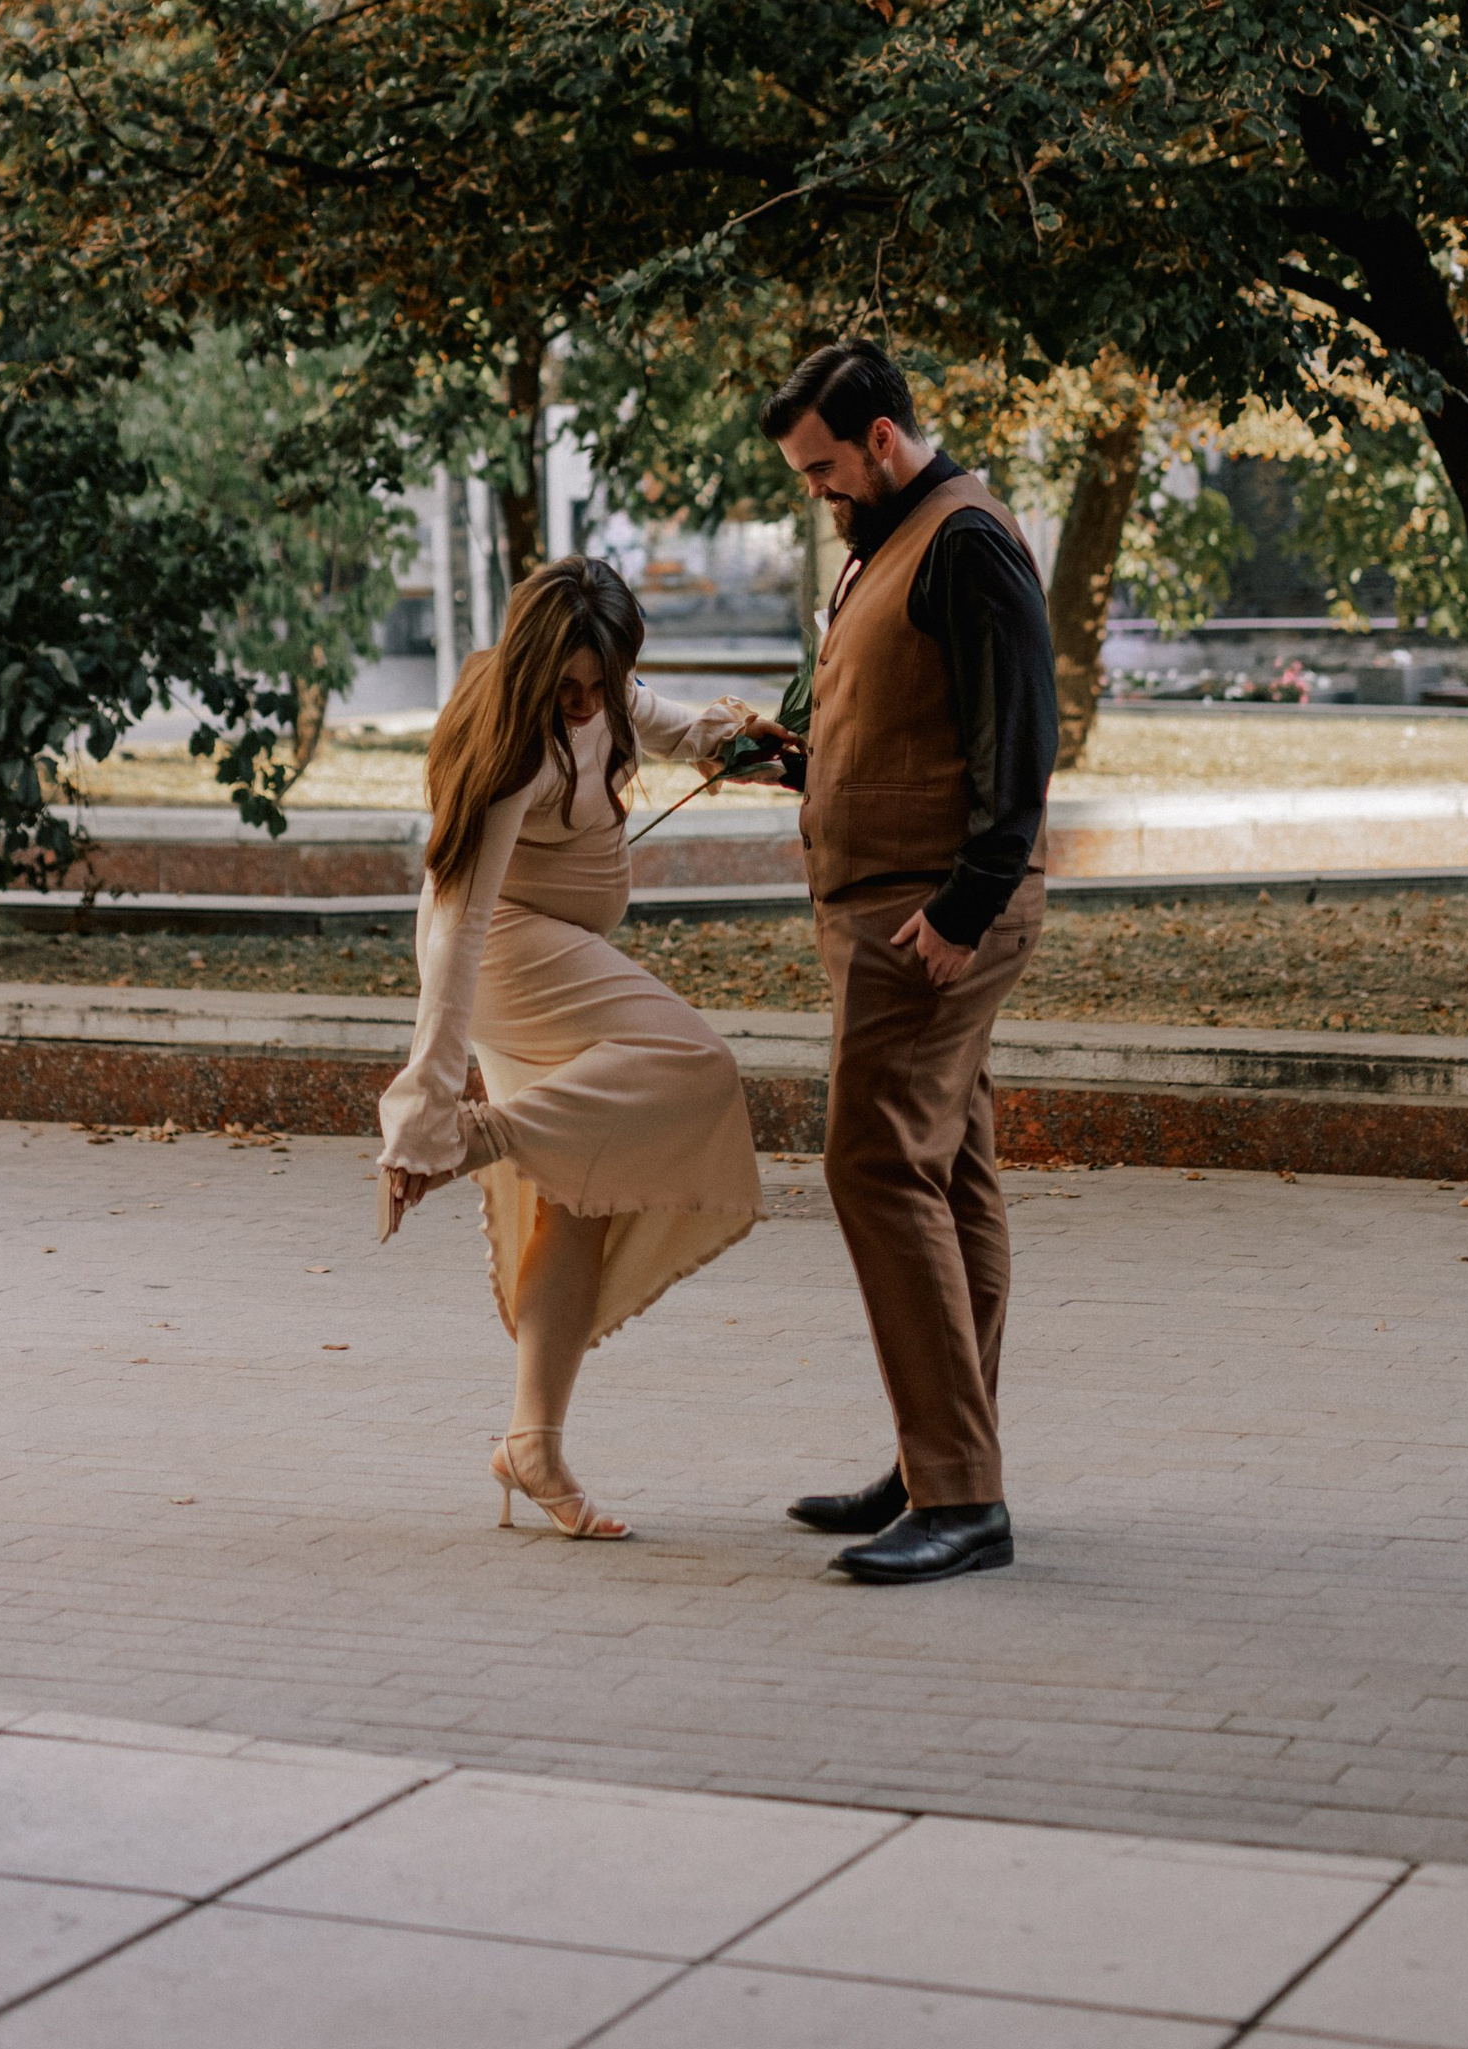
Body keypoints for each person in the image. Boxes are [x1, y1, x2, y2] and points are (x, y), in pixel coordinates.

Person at [378, 554, 765, 1539]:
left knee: (581, 1194)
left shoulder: (604, 692)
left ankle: (531, 1444)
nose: (589, 705)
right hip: (510, 953)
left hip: (556, 949)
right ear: (532, 671)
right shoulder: (510, 743)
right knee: (698, 1064)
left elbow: (662, 720)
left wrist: (734, 742)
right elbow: (457, 926)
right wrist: (428, 1105)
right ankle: (477, 1138)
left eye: (604, 682)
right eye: (570, 689)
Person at [764, 341, 1058, 1584]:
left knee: (875, 1164)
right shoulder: (886, 541)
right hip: (893, 910)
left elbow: (1020, 738)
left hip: (925, 920)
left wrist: (963, 909)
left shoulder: (964, 539)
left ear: (881, 438)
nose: (817, 492)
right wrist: (793, 759)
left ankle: (959, 1496)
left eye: (824, 468)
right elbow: (906, 723)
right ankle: (937, 1457)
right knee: (950, 1174)